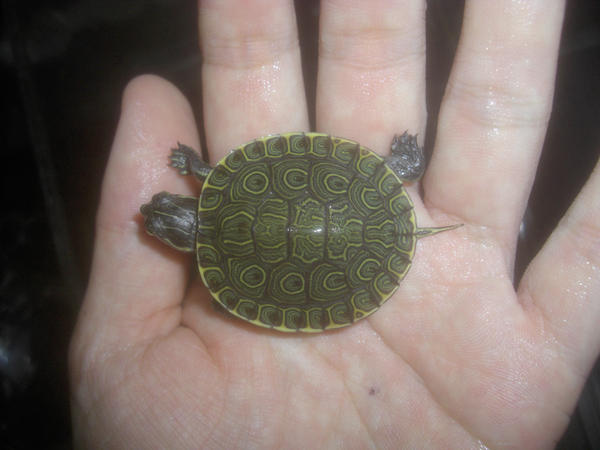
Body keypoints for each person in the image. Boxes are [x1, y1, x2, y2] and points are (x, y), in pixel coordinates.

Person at [69, 1, 597, 448]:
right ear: (179, 228)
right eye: (166, 215)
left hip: (339, 268)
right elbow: (245, 184)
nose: (159, 210)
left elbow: (236, 298)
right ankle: (398, 169)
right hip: (337, 222)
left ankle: (396, 170)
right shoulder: (223, 199)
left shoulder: (222, 280)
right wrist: (194, 166)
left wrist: (195, 175)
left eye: (164, 208)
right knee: (332, 186)